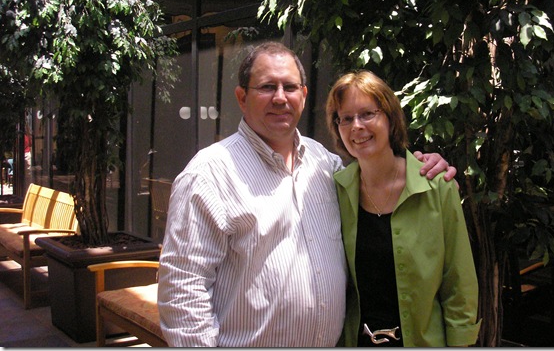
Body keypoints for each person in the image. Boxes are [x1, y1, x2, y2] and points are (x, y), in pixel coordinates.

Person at [157, 42, 457, 347]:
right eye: (266, 87)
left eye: (289, 87)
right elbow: (183, 291)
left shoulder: (327, 166)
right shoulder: (208, 176)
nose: (279, 97)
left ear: (303, 95)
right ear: (242, 98)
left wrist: (423, 169)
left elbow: (380, 180)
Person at [325, 70, 481, 347]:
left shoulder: (435, 187)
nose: (356, 126)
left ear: (390, 117)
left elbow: (458, 281)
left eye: (367, 114)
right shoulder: (336, 190)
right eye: (345, 118)